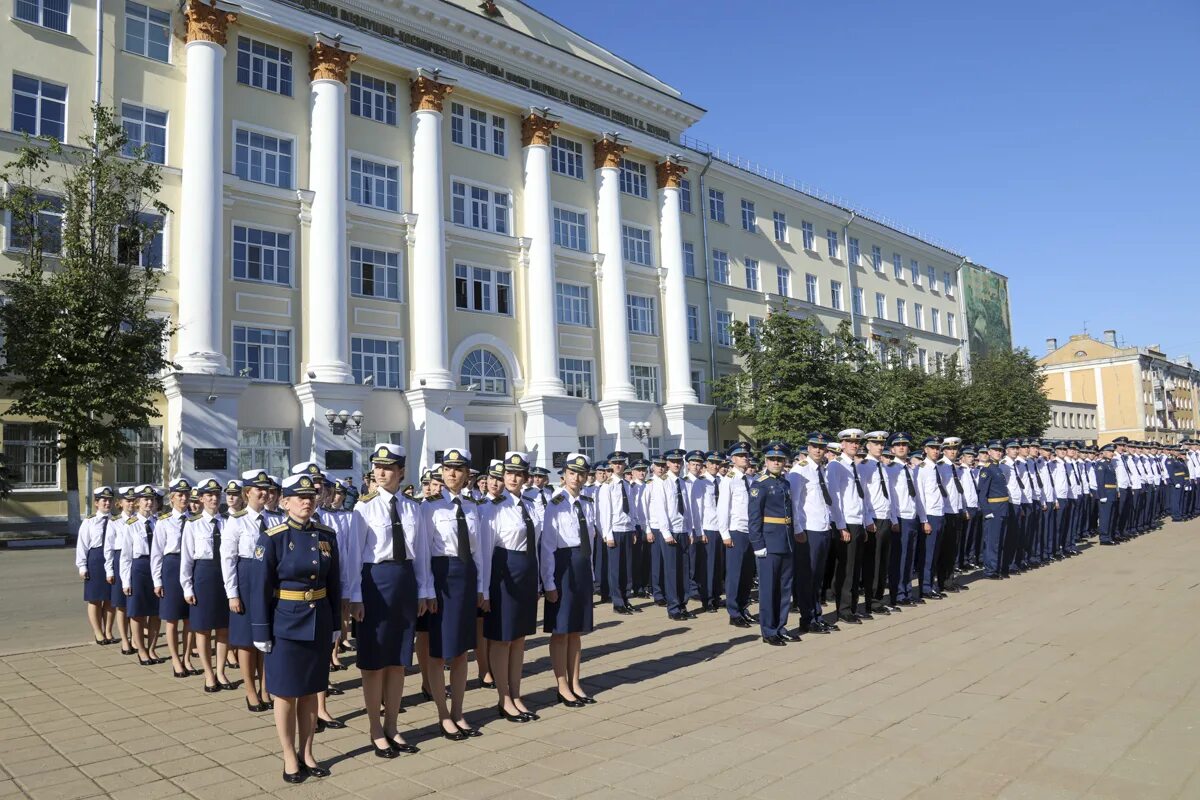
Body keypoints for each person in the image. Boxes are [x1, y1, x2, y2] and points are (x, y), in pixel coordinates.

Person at [251, 474, 340, 783]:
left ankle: (308, 751)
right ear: (285, 502)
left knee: (312, 692)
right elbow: (260, 587)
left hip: (318, 622)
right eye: (299, 497)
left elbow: (334, 583)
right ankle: (289, 755)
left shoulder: (327, 534)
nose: (307, 501)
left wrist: (337, 625)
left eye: (311, 497)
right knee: (287, 694)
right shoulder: (273, 536)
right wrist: (261, 631)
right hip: (285, 624)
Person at [347, 443, 428, 757]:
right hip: (375, 585)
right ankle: (375, 729)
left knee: (397, 661)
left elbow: (419, 554)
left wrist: (424, 591)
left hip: (405, 583)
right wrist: (355, 596)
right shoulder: (363, 507)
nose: (381, 473)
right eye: (377, 467)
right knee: (374, 663)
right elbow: (355, 556)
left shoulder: (412, 507)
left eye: (389, 467)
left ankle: (393, 726)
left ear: (401, 472)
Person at [419, 448, 487, 741]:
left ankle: (459, 711)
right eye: (448, 468)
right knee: (438, 652)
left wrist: (482, 587)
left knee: (461, 651)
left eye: (458, 469)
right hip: (441, 579)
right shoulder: (429, 507)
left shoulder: (473, 507)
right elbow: (423, 553)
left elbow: (478, 552)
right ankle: (442, 714)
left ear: (468, 474)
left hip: (466, 578)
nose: (452, 473)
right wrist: (427, 589)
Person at [481, 452, 542, 722]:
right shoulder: (493, 508)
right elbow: (484, 552)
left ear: (526, 477)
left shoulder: (531, 505)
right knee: (502, 638)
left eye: (519, 474)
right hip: (503, 573)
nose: (513, 478)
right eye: (509, 473)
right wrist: (483, 590)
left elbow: (538, 543)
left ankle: (517, 694)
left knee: (519, 639)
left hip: (527, 573)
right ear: (502, 476)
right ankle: (503, 697)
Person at [541, 452, 597, 706]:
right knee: (561, 631)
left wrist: (592, 573)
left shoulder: (587, 502)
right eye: (572, 473)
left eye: (581, 474)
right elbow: (548, 547)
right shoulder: (555, 504)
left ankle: (575, 681)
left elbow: (591, 542)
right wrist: (549, 582)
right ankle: (561, 683)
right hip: (562, 568)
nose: (576, 478)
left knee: (576, 631)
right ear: (564, 475)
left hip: (582, 567)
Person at [223, 470, 278, 711]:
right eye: (259, 489)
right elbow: (228, 559)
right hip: (246, 578)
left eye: (267, 489)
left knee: (267, 638)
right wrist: (232, 593)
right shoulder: (236, 520)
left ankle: (266, 688)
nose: (264, 493)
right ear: (247, 493)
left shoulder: (276, 519)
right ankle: (250, 691)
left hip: (270, 580)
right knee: (246, 641)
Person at [182, 478, 233, 692]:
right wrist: (187, 587)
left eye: (216, 495)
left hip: (225, 577)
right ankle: (208, 673)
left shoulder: (229, 522)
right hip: (203, 577)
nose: (214, 498)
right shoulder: (193, 524)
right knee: (202, 629)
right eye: (209, 495)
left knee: (223, 628)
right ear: (201, 499)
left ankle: (221, 671)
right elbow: (186, 558)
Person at [747, 441, 798, 646]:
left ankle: (780, 626)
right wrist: (758, 544)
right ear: (766, 461)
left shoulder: (784, 483)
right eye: (772, 459)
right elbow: (754, 518)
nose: (776, 462)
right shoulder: (760, 484)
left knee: (785, 588)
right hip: (769, 542)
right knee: (768, 589)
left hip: (786, 540)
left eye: (780, 459)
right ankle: (768, 630)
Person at [827, 429, 875, 623]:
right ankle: (844, 609)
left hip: (857, 522)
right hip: (845, 522)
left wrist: (864, 523)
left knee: (855, 568)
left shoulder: (855, 466)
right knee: (846, 568)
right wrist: (841, 526)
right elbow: (834, 499)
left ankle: (853, 606)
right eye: (850, 442)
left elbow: (861, 498)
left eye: (857, 442)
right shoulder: (836, 466)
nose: (855, 445)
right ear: (842, 445)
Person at [154, 479, 197, 677]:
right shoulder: (164, 521)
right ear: (171, 498)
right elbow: (157, 553)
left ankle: (187, 657)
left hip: (191, 567)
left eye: (186, 495)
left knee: (189, 618)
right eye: (179, 495)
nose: (183, 498)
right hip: (171, 567)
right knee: (171, 618)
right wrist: (157, 580)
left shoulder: (195, 520)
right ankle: (175, 659)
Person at [646, 449, 694, 621]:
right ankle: (673, 607)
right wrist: (665, 533)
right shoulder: (661, 483)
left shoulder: (683, 482)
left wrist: (689, 530)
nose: (676, 464)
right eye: (673, 461)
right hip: (670, 531)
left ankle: (683, 603)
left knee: (683, 569)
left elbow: (687, 509)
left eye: (679, 461)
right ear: (667, 464)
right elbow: (661, 509)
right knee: (672, 571)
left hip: (682, 530)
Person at [120, 484, 163, 665]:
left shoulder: (159, 522)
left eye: (151, 499)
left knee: (155, 612)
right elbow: (125, 556)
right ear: (137, 502)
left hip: (157, 567)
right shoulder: (131, 525)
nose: (148, 503)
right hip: (139, 568)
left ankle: (152, 649)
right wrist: (125, 581)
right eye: (145, 499)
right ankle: (141, 650)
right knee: (137, 612)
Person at [717, 442, 757, 629]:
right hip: (736, 531)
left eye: (746, 455)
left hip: (751, 531)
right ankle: (734, 612)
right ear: (733, 459)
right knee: (735, 574)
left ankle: (743, 607)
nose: (745, 458)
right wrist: (725, 533)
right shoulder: (729, 480)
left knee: (748, 574)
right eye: (741, 456)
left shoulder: (749, 480)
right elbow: (723, 508)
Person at [596, 451, 638, 615]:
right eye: (615, 463)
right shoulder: (607, 486)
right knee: (615, 568)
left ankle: (626, 598)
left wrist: (633, 528)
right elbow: (605, 512)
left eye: (621, 462)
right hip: (615, 530)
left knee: (626, 568)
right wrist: (608, 534)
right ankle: (617, 602)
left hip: (627, 529)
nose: (618, 465)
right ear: (611, 466)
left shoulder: (627, 484)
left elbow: (632, 508)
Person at [76, 486, 116, 645]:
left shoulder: (116, 520)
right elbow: (82, 544)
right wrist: (82, 565)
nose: (107, 503)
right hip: (96, 559)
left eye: (109, 500)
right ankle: (98, 632)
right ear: (96, 503)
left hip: (112, 559)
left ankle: (108, 630)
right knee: (95, 599)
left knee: (110, 598)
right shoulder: (90, 521)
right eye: (103, 500)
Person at [106, 487, 136, 655]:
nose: (130, 503)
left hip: (136, 561)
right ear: (120, 503)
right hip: (119, 561)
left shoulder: (140, 520)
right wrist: (109, 570)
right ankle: (125, 640)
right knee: (122, 605)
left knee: (135, 603)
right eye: (127, 500)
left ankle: (135, 638)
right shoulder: (115, 521)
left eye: (133, 500)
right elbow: (108, 548)